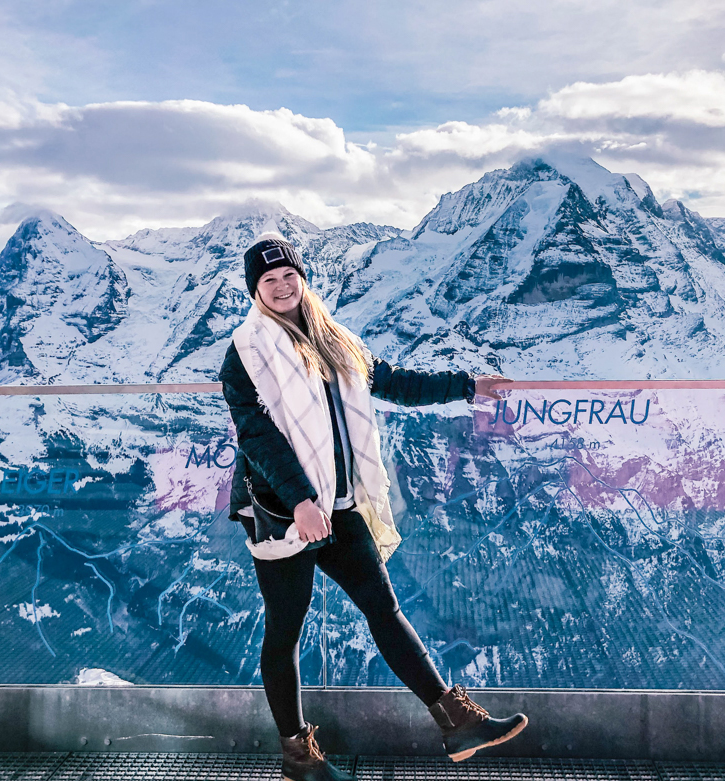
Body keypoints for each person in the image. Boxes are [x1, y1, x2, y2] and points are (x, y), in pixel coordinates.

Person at [219, 234, 528, 781]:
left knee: (383, 610)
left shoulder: (334, 338)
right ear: (256, 290)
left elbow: (393, 383)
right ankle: (299, 759)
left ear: (302, 277)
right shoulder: (245, 351)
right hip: (282, 511)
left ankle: (456, 724)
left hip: (341, 504)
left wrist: (468, 386)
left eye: (290, 275)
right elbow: (257, 435)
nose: (283, 285)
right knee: (285, 631)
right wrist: (299, 503)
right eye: (269, 280)